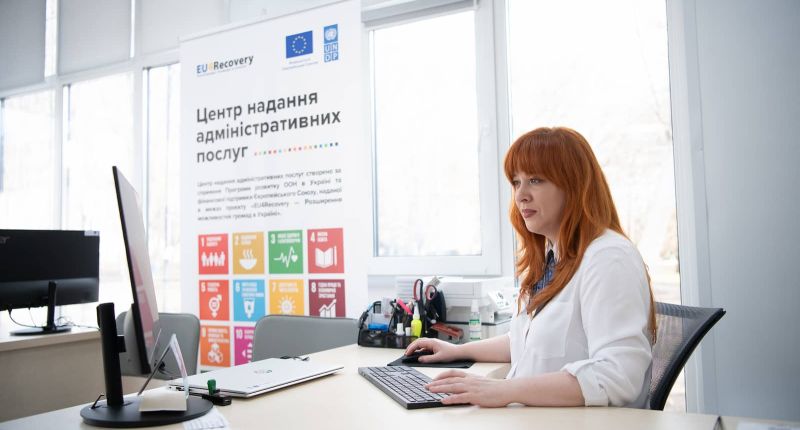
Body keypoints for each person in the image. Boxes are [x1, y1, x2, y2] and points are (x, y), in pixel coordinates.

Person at [405, 126, 657, 408]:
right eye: (516, 182)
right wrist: (457, 351)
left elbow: (618, 376)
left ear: (574, 185)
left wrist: (504, 390)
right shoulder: (553, 257)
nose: (521, 195)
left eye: (535, 180)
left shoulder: (608, 258)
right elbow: (525, 342)